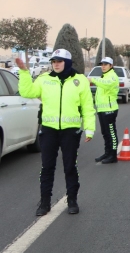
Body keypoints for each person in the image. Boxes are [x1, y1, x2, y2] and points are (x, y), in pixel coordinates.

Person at [16, 49, 95, 216]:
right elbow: (27, 92)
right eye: (53, 61)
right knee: (47, 167)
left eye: (59, 61)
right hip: (49, 131)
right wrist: (24, 72)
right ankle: (45, 202)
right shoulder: (44, 79)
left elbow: (88, 106)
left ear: (67, 62)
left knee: (69, 167)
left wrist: (90, 128)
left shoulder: (79, 81)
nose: (56, 64)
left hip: (70, 131)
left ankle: (72, 200)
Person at [94, 57, 120, 164]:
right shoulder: (104, 76)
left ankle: (113, 155)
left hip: (110, 110)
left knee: (111, 133)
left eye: (106, 64)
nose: (103, 66)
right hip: (101, 109)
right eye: (102, 64)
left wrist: (93, 80)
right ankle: (107, 153)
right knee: (105, 133)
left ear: (111, 66)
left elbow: (106, 84)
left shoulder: (112, 76)